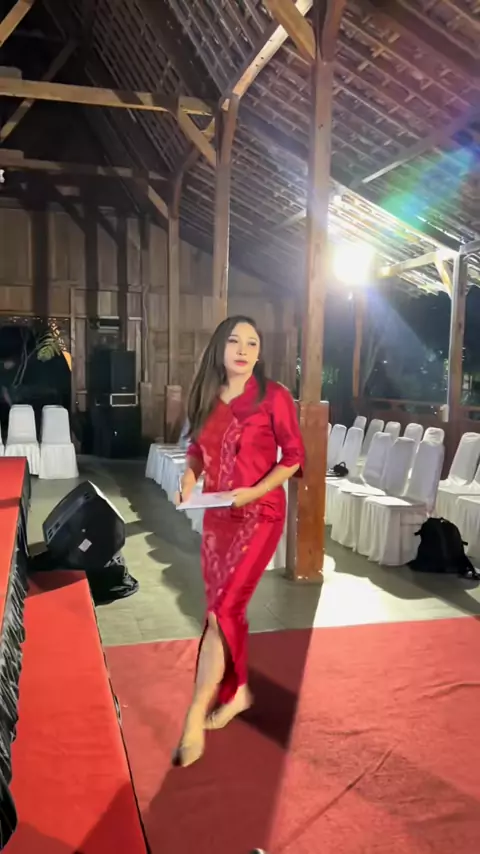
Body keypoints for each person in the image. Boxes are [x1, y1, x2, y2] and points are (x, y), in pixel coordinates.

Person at [174, 315, 305, 768]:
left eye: (252, 343)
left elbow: (294, 456)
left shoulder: (275, 396)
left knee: (223, 610)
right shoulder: (206, 396)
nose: (244, 350)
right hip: (217, 519)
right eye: (234, 341)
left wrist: (254, 492)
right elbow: (197, 449)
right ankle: (237, 692)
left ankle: (194, 717)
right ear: (219, 347)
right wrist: (189, 479)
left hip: (260, 513)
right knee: (221, 612)